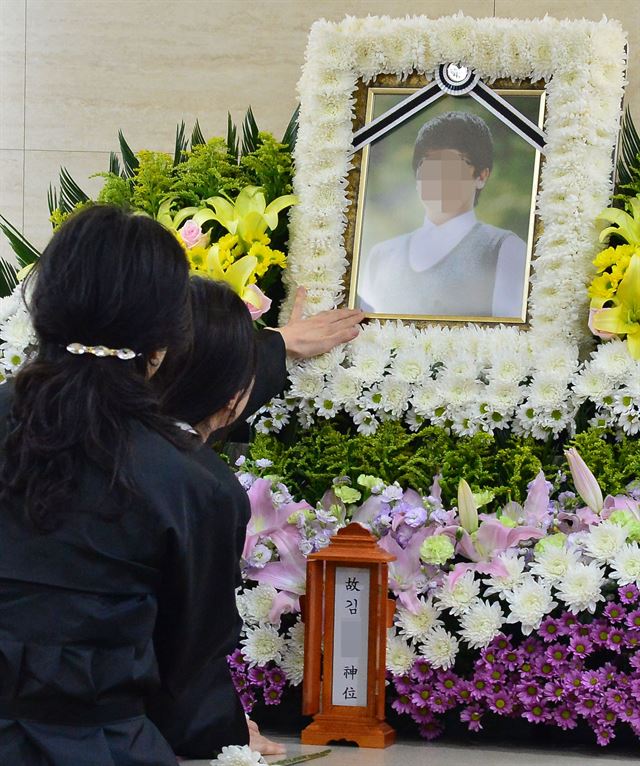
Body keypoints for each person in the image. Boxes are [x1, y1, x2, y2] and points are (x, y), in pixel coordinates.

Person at [0, 206, 247, 766]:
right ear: (166, 342)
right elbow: (188, 673)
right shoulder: (191, 483)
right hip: (102, 748)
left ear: (41, 310)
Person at [149, 278, 365, 759]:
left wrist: (278, 345)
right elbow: (187, 640)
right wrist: (221, 728)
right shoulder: (201, 487)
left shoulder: (48, 420)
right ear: (232, 400)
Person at [357, 111, 528, 318]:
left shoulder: (504, 249)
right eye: (428, 164)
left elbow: (512, 339)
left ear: (481, 176)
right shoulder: (382, 256)